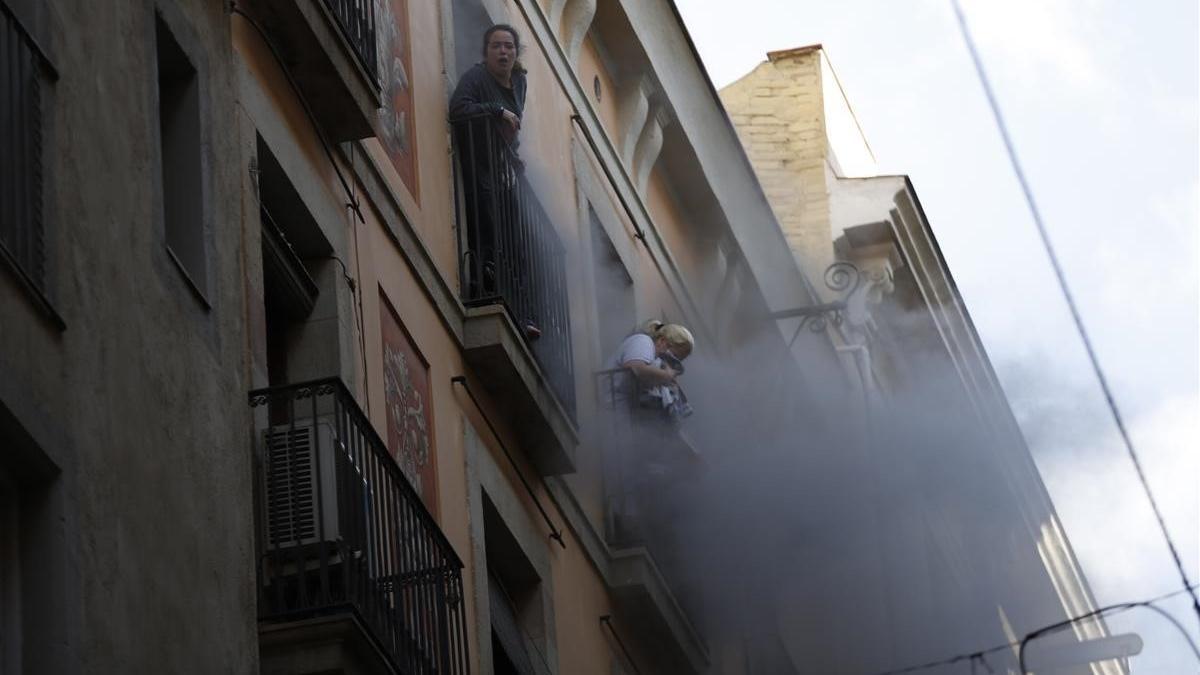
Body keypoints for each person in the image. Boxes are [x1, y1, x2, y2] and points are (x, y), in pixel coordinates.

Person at [450, 25, 542, 338]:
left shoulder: (519, 83)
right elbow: (459, 109)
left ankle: (524, 313)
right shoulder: (475, 78)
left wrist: (514, 155)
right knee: (487, 226)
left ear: (516, 53)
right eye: (496, 46)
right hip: (479, 165)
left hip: (502, 168)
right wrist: (496, 110)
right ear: (485, 51)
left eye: (508, 46)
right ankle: (484, 284)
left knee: (516, 242)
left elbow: (513, 128)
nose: (503, 51)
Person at [603, 320, 696, 545]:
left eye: (678, 362)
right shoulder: (642, 341)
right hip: (615, 407)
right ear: (662, 342)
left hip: (628, 412)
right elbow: (635, 367)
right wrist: (666, 377)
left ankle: (633, 515)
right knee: (628, 463)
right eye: (674, 356)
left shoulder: (656, 360)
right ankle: (627, 514)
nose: (673, 364)